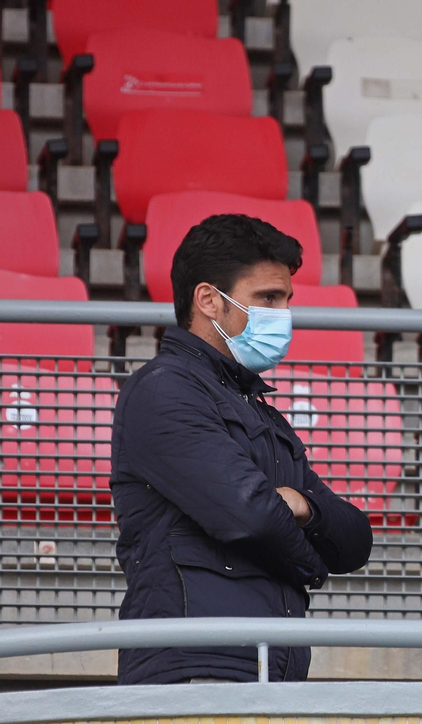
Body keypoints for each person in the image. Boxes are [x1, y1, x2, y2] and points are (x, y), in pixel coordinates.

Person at [111, 214, 373, 684]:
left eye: (287, 300)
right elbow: (249, 514)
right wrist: (311, 562)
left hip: (269, 667)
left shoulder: (258, 410)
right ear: (209, 300)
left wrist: (305, 508)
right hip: (195, 669)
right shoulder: (164, 391)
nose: (283, 314)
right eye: (268, 298)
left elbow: (355, 540)